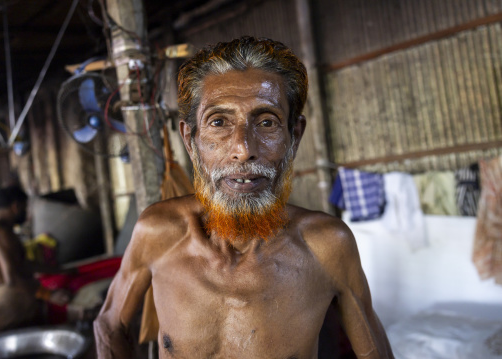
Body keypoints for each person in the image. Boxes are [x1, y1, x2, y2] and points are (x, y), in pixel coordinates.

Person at [94, 36, 394, 358]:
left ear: (294, 136)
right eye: (218, 122)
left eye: (266, 122)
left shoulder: (327, 246)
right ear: (190, 140)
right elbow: (109, 327)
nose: (243, 149)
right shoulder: (158, 233)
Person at [0, 185, 70, 332]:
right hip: (5, 300)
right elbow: (12, 279)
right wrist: (49, 294)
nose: (26, 213)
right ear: (15, 206)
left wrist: (58, 270)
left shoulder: (4, 231)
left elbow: (22, 264)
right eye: (25, 207)